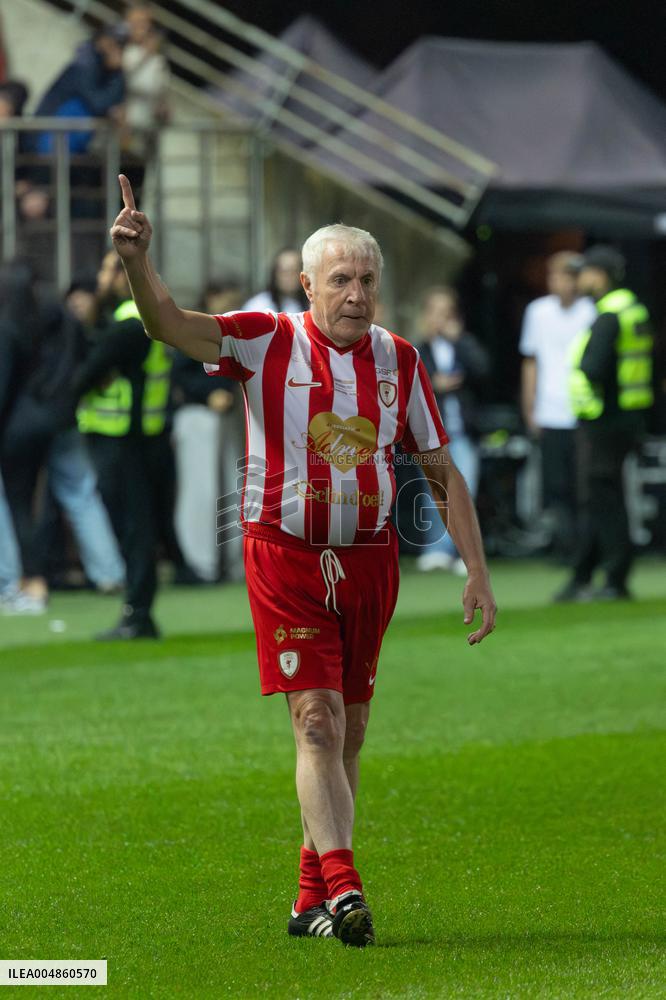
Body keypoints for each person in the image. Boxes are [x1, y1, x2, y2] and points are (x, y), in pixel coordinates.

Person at [110, 175, 497, 946]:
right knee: (314, 721)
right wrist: (136, 264)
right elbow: (168, 326)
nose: (356, 294)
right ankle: (347, 889)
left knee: (349, 730)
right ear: (308, 284)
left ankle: (307, 898)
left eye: (368, 280)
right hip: (284, 556)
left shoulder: (400, 359)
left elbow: (438, 469)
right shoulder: (264, 338)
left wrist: (477, 570)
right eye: (341, 280)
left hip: (370, 560)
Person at [73, 250, 172, 639]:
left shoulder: (130, 324)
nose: (100, 278)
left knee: (135, 530)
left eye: (105, 269)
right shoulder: (145, 317)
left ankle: (138, 614)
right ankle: (138, 612)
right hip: (144, 438)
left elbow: (85, 374)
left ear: (122, 275)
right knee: (139, 529)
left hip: (123, 441)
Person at [555, 247, 654, 602]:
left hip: (604, 421)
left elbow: (594, 367)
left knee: (604, 500)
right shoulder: (633, 310)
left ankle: (614, 577)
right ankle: (584, 575)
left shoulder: (610, 315)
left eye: (582, 273)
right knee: (603, 498)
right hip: (627, 417)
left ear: (598, 276)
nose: (578, 280)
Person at [519, 252, 597, 559]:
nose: (557, 282)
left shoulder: (590, 311)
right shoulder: (537, 311)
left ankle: (586, 549)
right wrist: (530, 404)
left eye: (563, 275)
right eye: (553, 275)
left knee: (584, 486)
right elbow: (531, 361)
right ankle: (565, 548)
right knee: (555, 485)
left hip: (582, 411)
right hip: (549, 410)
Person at [415, 286, 490, 574]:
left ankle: (464, 553)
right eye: (436, 313)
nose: (441, 319)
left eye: (447, 313)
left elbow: (483, 370)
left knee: (464, 489)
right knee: (433, 490)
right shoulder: (417, 349)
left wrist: (460, 341)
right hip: (432, 434)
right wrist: (436, 385)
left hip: (463, 431)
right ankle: (436, 549)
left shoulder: (464, 345)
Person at [172, 280, 241, 582]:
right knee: (200, 492)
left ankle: (232, 563)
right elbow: (180, 374)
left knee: (232, 489)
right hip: (197, 415)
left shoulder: (233, 330)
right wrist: (207, 394)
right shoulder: (191, 325)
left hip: (227, 418)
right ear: (211, 296)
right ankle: (201, 564)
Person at [243, 247, 308, 314]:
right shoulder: (258, 306)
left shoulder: (311, 305)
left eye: (294, 270)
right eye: (284, 271)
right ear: (274, 274)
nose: (289, 276)